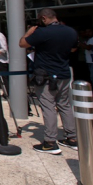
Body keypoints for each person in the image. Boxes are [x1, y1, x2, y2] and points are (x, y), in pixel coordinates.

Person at [20, 8, 78, 154]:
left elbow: (22, 44)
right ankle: (72, 138)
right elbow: (73, 49)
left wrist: (29, 32)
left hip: (46, 75)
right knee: (64, 105)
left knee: (48, 107)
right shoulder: (70, 31)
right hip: (64, 73)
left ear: (44, 18)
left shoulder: (43, 32)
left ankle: (50, 142)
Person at [80, 27, 93, 101]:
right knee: (92, 78)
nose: (88, 33)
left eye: (89, 31)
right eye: (86, 32)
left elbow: (88, 47)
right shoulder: (88, 39)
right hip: (89, 61)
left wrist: (78, 41)